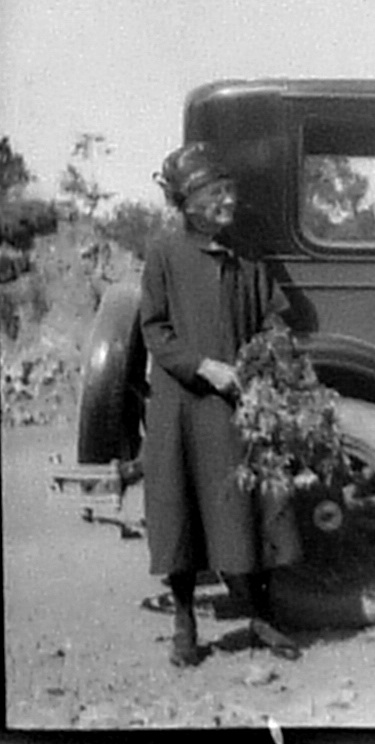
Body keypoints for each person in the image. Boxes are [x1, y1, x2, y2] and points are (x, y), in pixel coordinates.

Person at [141, 142, 301, 666]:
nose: (227, 201)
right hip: (184, 405)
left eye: (229, 191)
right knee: (182, 511)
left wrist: (270, 351)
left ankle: (262, 617)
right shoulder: (164, 253)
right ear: (187, 202)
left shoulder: (246, 253)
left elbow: (273, 314)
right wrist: (204, 367)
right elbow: (154, 330)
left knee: (252, 508)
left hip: (239, 404)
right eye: (215, 194)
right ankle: (184, 621)